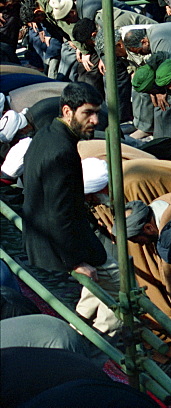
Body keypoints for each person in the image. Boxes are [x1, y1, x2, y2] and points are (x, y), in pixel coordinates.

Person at [20, 83, 118, 332]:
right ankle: (93, 353)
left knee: (103, 284)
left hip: (47, 236)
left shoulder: (47, 134)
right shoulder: (61, 151)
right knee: (122, 294)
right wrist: (75, 262)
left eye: (97, 113)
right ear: (67, 111)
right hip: (61, 244)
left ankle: (77, 331)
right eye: (88, 113)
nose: (95, 120)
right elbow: (59, 213)